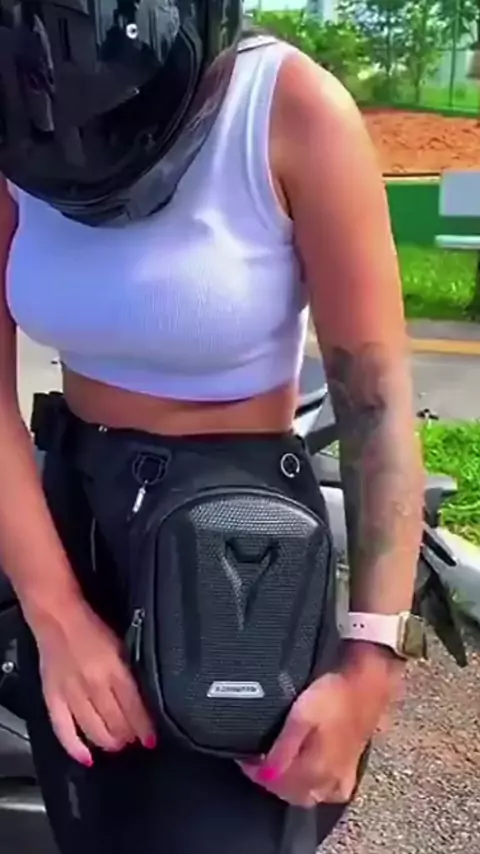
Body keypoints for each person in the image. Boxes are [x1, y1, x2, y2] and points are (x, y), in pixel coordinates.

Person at [0, 3, 424, 853]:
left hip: (235, 554)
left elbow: (375, 411)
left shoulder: (291, 108)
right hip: (72, 528)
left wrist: (370, 664)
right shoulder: (20, 110)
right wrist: (57, 616)